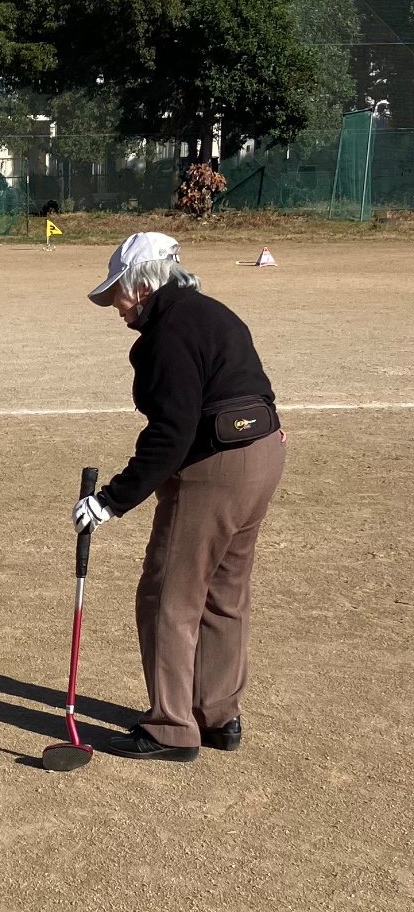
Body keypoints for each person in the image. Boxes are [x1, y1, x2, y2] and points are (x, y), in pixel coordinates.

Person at [73, 232, 286, 762]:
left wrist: (110, 501)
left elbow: (171, 433)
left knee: (168, 594)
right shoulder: (211, 312)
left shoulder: (167, 333)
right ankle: (218, 715)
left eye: (119, 293)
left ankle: (171, 728)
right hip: (263, 453)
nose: (116, 306)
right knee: (224, 592)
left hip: (214, 468)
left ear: (143, 287)